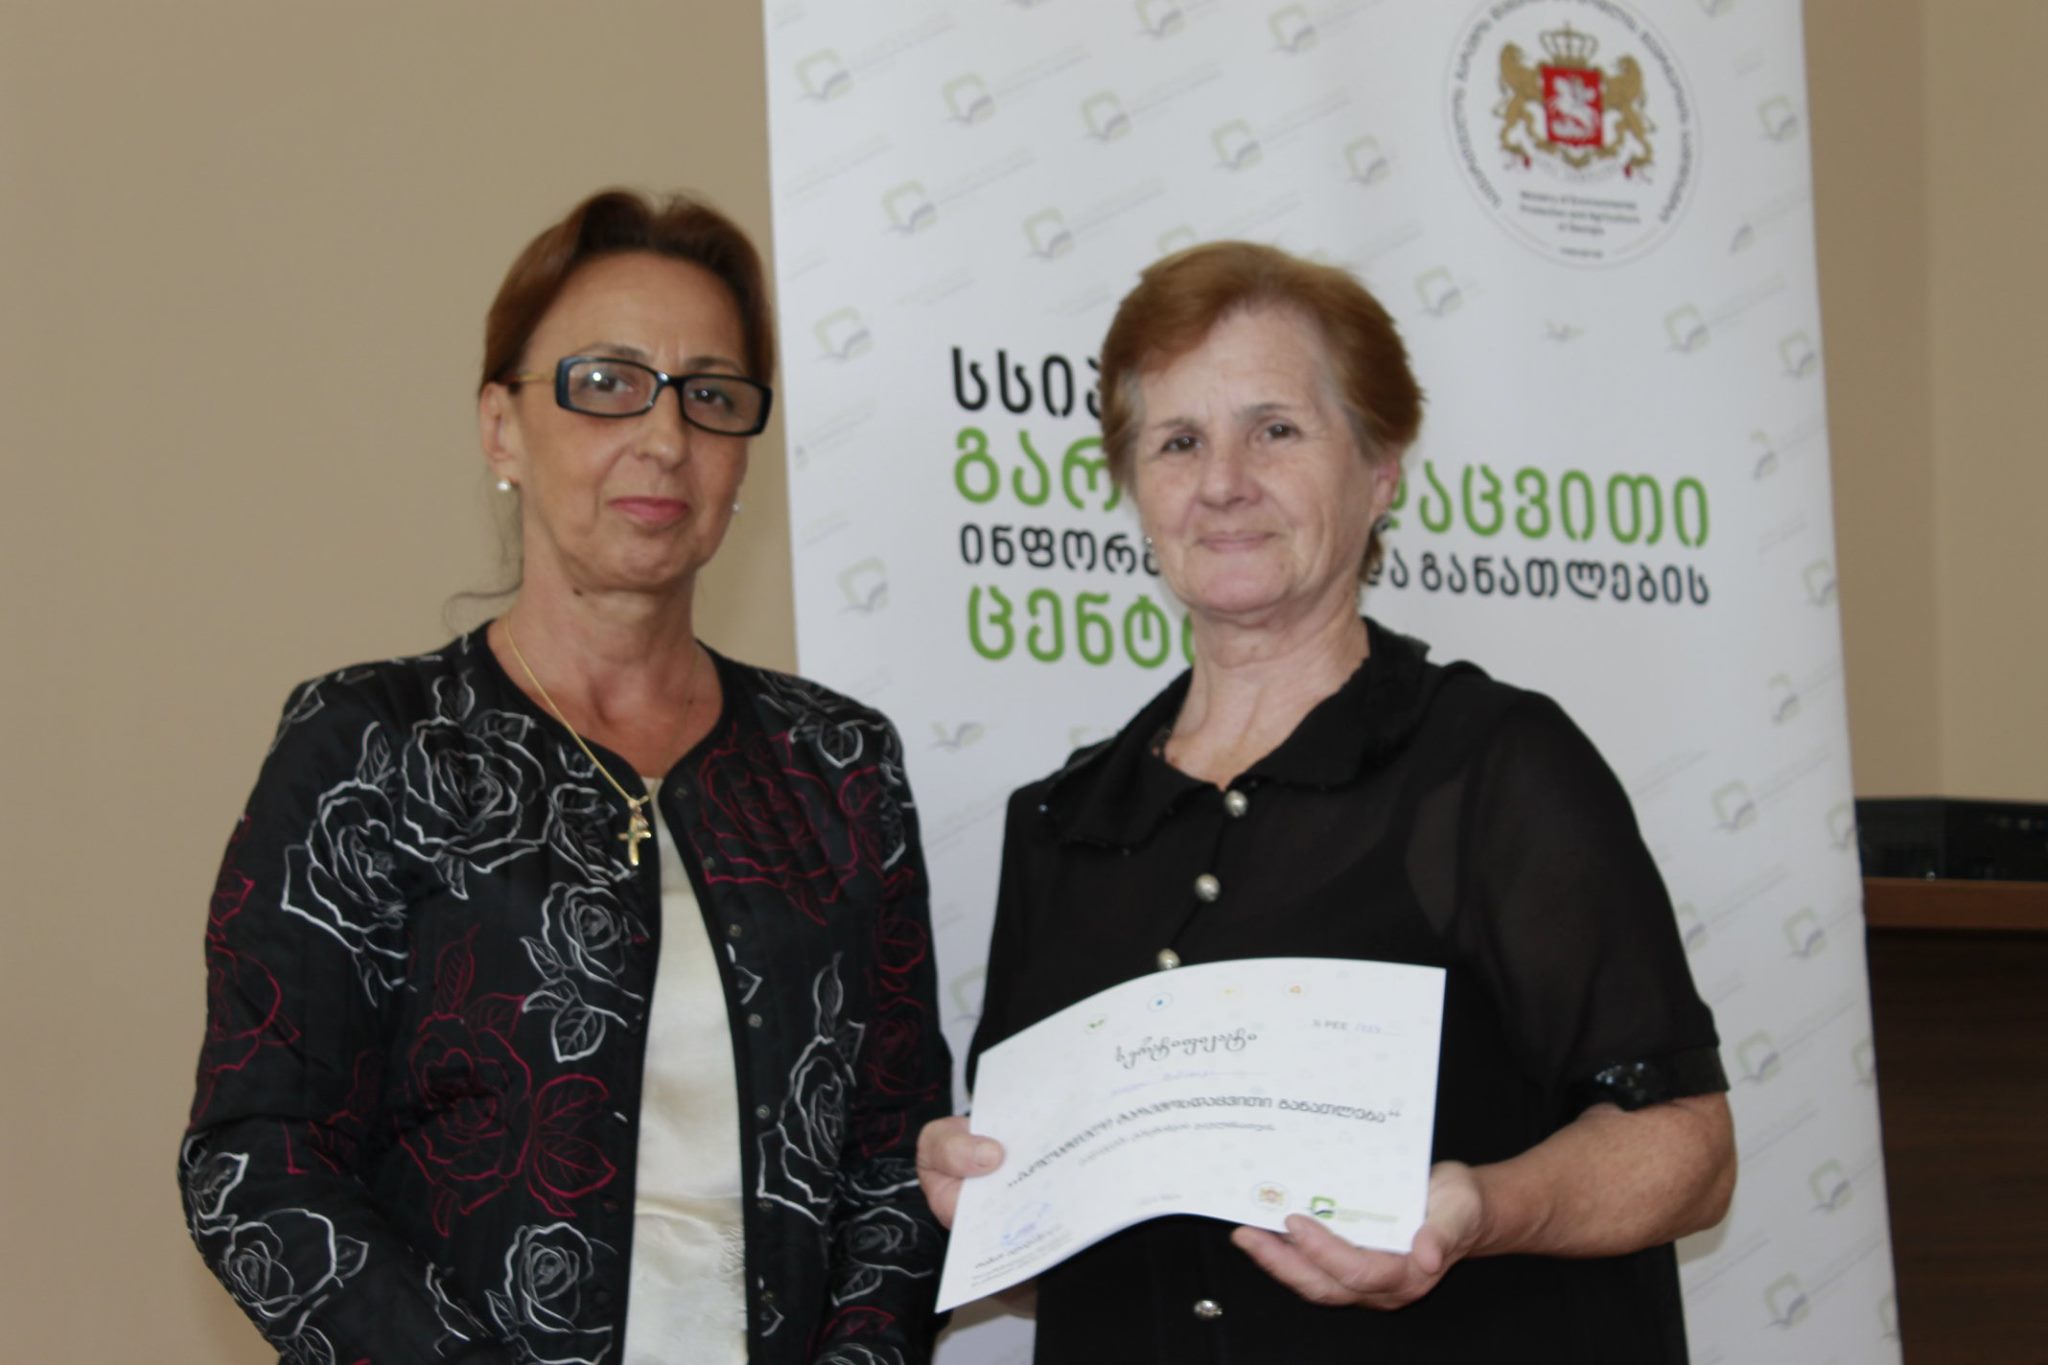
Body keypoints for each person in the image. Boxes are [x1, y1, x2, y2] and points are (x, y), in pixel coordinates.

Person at [917, 241, 1735, 1363]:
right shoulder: (1063, 825)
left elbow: (1688, 1149)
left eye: (1276, 430)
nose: (1223, 482)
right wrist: (981, 1203)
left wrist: (1477, 1210)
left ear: (1380, 469)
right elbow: (1060, 1246)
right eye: (1178, 441)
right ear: (1135, 488)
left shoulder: (1493, 767)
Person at [181, 189, 953, 1365]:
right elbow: (257, 1162)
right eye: (605, 383)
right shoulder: (370, 747)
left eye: (710, 395)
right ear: (500, 426)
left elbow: (894, 1157)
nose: (664, 437)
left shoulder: (838, 766)